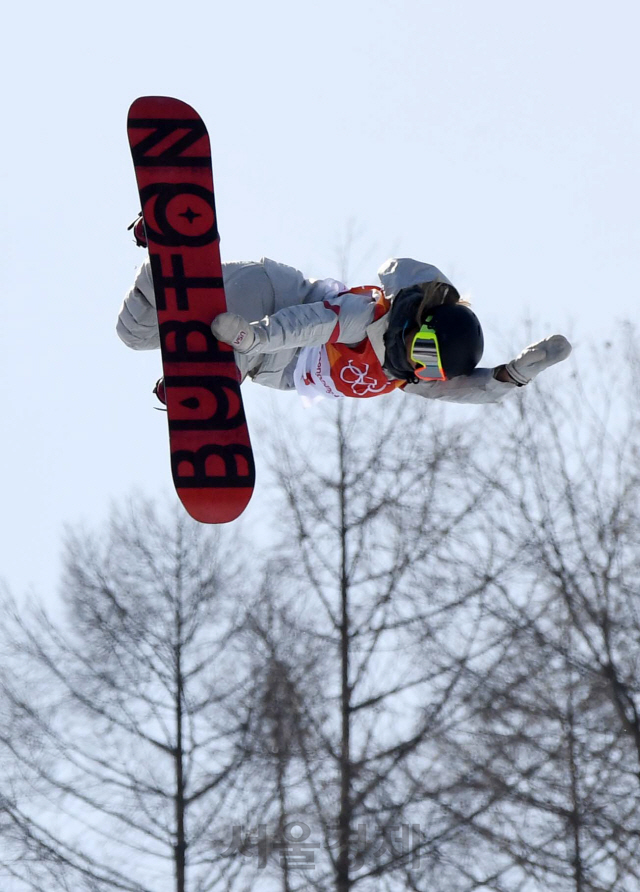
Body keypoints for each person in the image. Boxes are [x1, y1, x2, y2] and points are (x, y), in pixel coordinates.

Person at [117, 252, 571, 405]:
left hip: (260, 354)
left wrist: (511, 376)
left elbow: (460, 390)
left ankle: (164, 272)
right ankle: (166, 262)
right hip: (270, 301)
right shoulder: (370, 316)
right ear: (420, 325)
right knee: (219, 363)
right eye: (427, 352)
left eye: (429, 370)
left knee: (135, 336)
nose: (420, 367)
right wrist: (253, 338)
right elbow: (310, 325)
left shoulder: (405, 373)